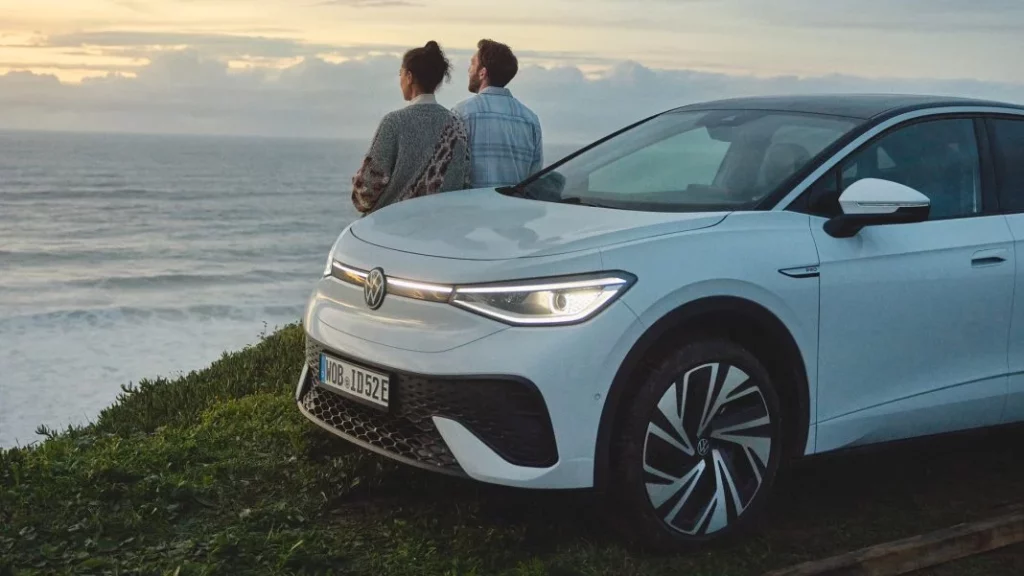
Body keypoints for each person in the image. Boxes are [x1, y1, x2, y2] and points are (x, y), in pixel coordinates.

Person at [351, 41, 471, 215]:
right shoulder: (456, 124)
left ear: (409, 76)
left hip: (393, 225)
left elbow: (366, 191)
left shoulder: (394, 122)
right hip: (440, 224)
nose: (400, 79)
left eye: (400, 73)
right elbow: (464, 182)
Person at [452, 39, 543, 189]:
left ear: (482, 73)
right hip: (514, 204)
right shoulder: (530, 119)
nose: (469, 70)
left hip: (472, 203)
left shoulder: (462, 113)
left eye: (472, 64)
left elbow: (452, 172)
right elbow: (534, 178)